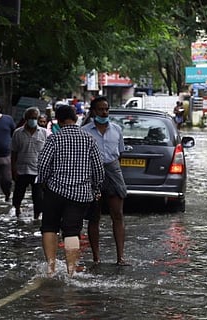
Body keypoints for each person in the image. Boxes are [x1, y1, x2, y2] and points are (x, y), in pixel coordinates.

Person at [37, 105, 104, 277]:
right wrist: (95, 188)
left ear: (58, 121)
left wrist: (43, 182)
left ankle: (51, 269)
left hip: (55, 191)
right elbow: (98, 169)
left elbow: (43, 164)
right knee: (72, 230)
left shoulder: (54, 139)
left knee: (49, 227)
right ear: (75, 119)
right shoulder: (89, 139)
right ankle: (71, 271)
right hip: (81, 194)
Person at [82, 96, 128, 266]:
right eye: (101, 109)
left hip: (113, 170)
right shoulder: (85, 131)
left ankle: (120, 257)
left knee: (118, 214)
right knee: (94, 216)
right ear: (93, 111)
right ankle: (96, 258)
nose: (104, 112)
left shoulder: (116, 129)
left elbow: (120, 153)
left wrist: (113, 169)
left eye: (106, 109)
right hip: (92, 172)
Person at [11, 107, 48, 218]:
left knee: (38, 197)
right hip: (22, 170)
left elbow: (48, 153)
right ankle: (17, 210)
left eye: (35, 118)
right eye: (31, 118)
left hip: (38, 171)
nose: (33, 120)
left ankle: (36, 216)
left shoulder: (44, 133)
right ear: (25, 119)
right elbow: (14, 153)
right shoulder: (18, 133)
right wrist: (13, 169)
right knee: (18, 194)